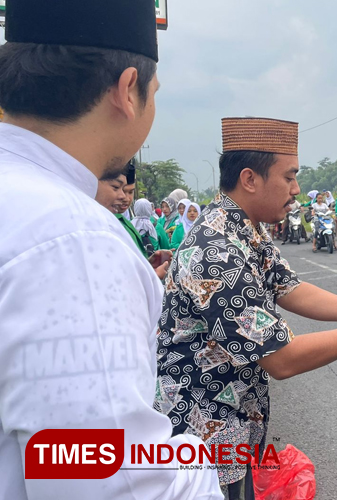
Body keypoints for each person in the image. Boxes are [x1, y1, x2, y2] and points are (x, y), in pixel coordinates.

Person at [0, 0, 222, 498]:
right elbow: (111, 482)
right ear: (127, 90)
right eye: (155, 93)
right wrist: (200, 466)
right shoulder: (72, 240)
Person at [155, 117, 337, 499]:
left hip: (232, 419)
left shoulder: (245, 228)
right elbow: (281, 359)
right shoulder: (214, 252)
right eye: (289, 177)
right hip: (202, 430)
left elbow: (288, 287)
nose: (297, 190)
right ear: (250, 179)